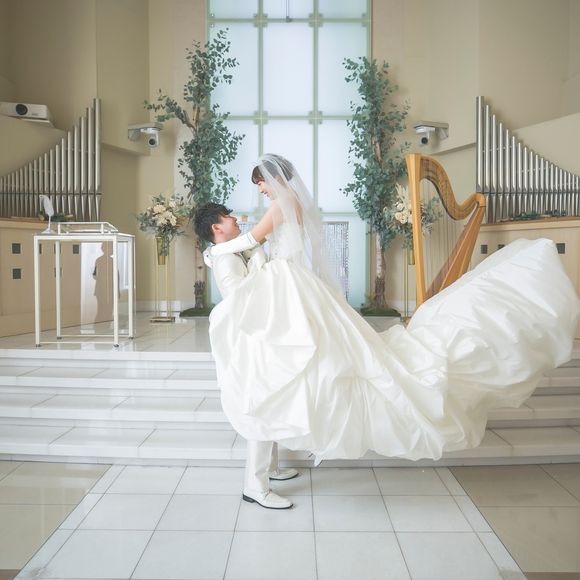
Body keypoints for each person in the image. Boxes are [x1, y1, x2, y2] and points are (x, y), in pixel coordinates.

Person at [204, 153, 579, 465]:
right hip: (292, 278)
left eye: (261, 183)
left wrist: (214, 251)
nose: (261, 189)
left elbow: (252, 238)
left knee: (306, 347)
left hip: (286, 277)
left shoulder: (280, 204)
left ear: (273, 179)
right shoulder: (292, 202)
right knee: (320, 346)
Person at [194, 202, 298, 510]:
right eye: (228, 217)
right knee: (260, 405)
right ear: (217, 227)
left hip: (260, 333)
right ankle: (255, 486)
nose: (235, 219)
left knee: (270, 399)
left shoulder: (233, 251)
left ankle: (271, 468)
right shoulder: (224, 257)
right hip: (250, 338)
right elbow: (240, 298)